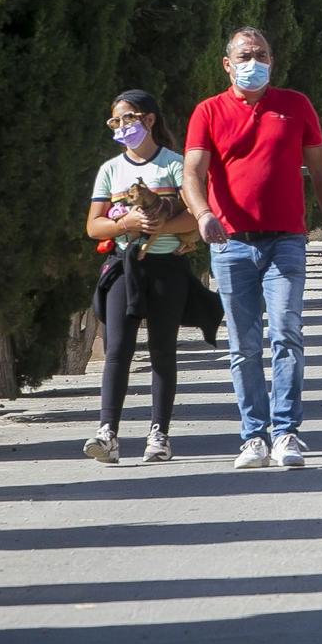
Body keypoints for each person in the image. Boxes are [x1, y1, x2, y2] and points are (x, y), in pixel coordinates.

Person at [182, 26, 322, 470]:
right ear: (227, 64)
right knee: (244, 344)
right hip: (231, 244)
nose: (254, 62)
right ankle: (253, 436)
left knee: (287, 334)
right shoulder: (208, 111)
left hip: (286, 242)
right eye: (245, 55)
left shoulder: (295, 106)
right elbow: (192, 174)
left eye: (262, 55)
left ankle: (287, 432)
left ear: (272, 61)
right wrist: (202, 214)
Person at [82, 89, 201, 464]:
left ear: (149, 120)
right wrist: (125, 223)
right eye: (115, 121)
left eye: (129, 119)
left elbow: (196, 214)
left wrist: (161, 228)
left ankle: (159, 434)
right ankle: (108, 432)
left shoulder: (174, 165)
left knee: (163, 351)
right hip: (123, 268)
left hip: (166, 267)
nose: (121, 127)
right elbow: (94, 226)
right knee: (117, 350)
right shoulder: (110, 170)